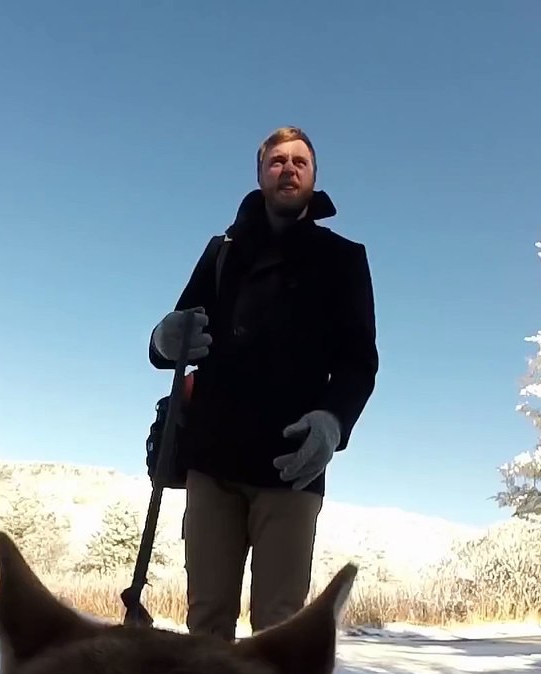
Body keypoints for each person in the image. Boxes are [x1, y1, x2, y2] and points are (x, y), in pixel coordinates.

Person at [148, 127, 378, 642]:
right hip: (213, 460)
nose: (288, 168)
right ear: (260, 174)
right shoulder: (222, 252)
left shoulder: (343, 258)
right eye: (277, 161)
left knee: (280, 633)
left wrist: (332, 420)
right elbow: (176, 340)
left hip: (290, 464)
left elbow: (359, 362)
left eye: (300, 161)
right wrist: (163, 339)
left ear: (314, 178)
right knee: (206, 622)